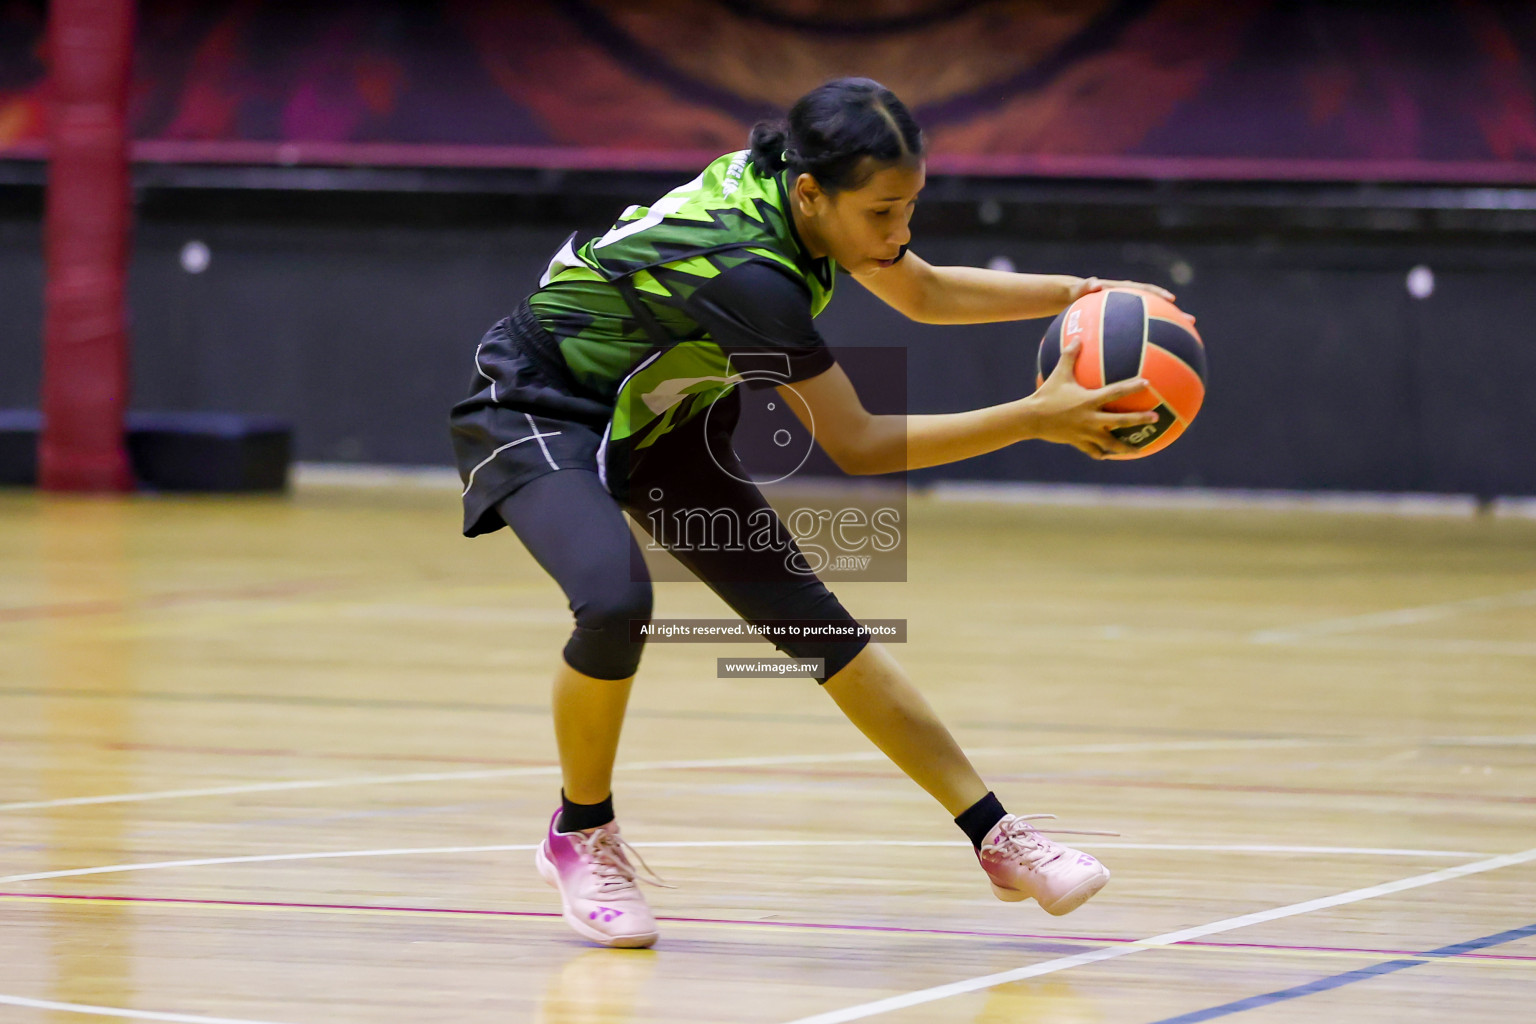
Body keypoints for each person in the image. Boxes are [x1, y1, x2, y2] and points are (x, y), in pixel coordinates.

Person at [449, 77, 1172, 949]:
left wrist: (1088, 294)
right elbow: (860, 444)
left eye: (910, 206)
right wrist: (1034, 421)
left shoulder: (809, 199)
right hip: (543, 401)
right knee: (613, 601)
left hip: (664, 410)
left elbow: (928, 292)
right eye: (883, 213)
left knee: (822, 631)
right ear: (810, 194)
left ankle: (996, 836)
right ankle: (581, 831)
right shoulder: (753, 274)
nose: (899, 233)